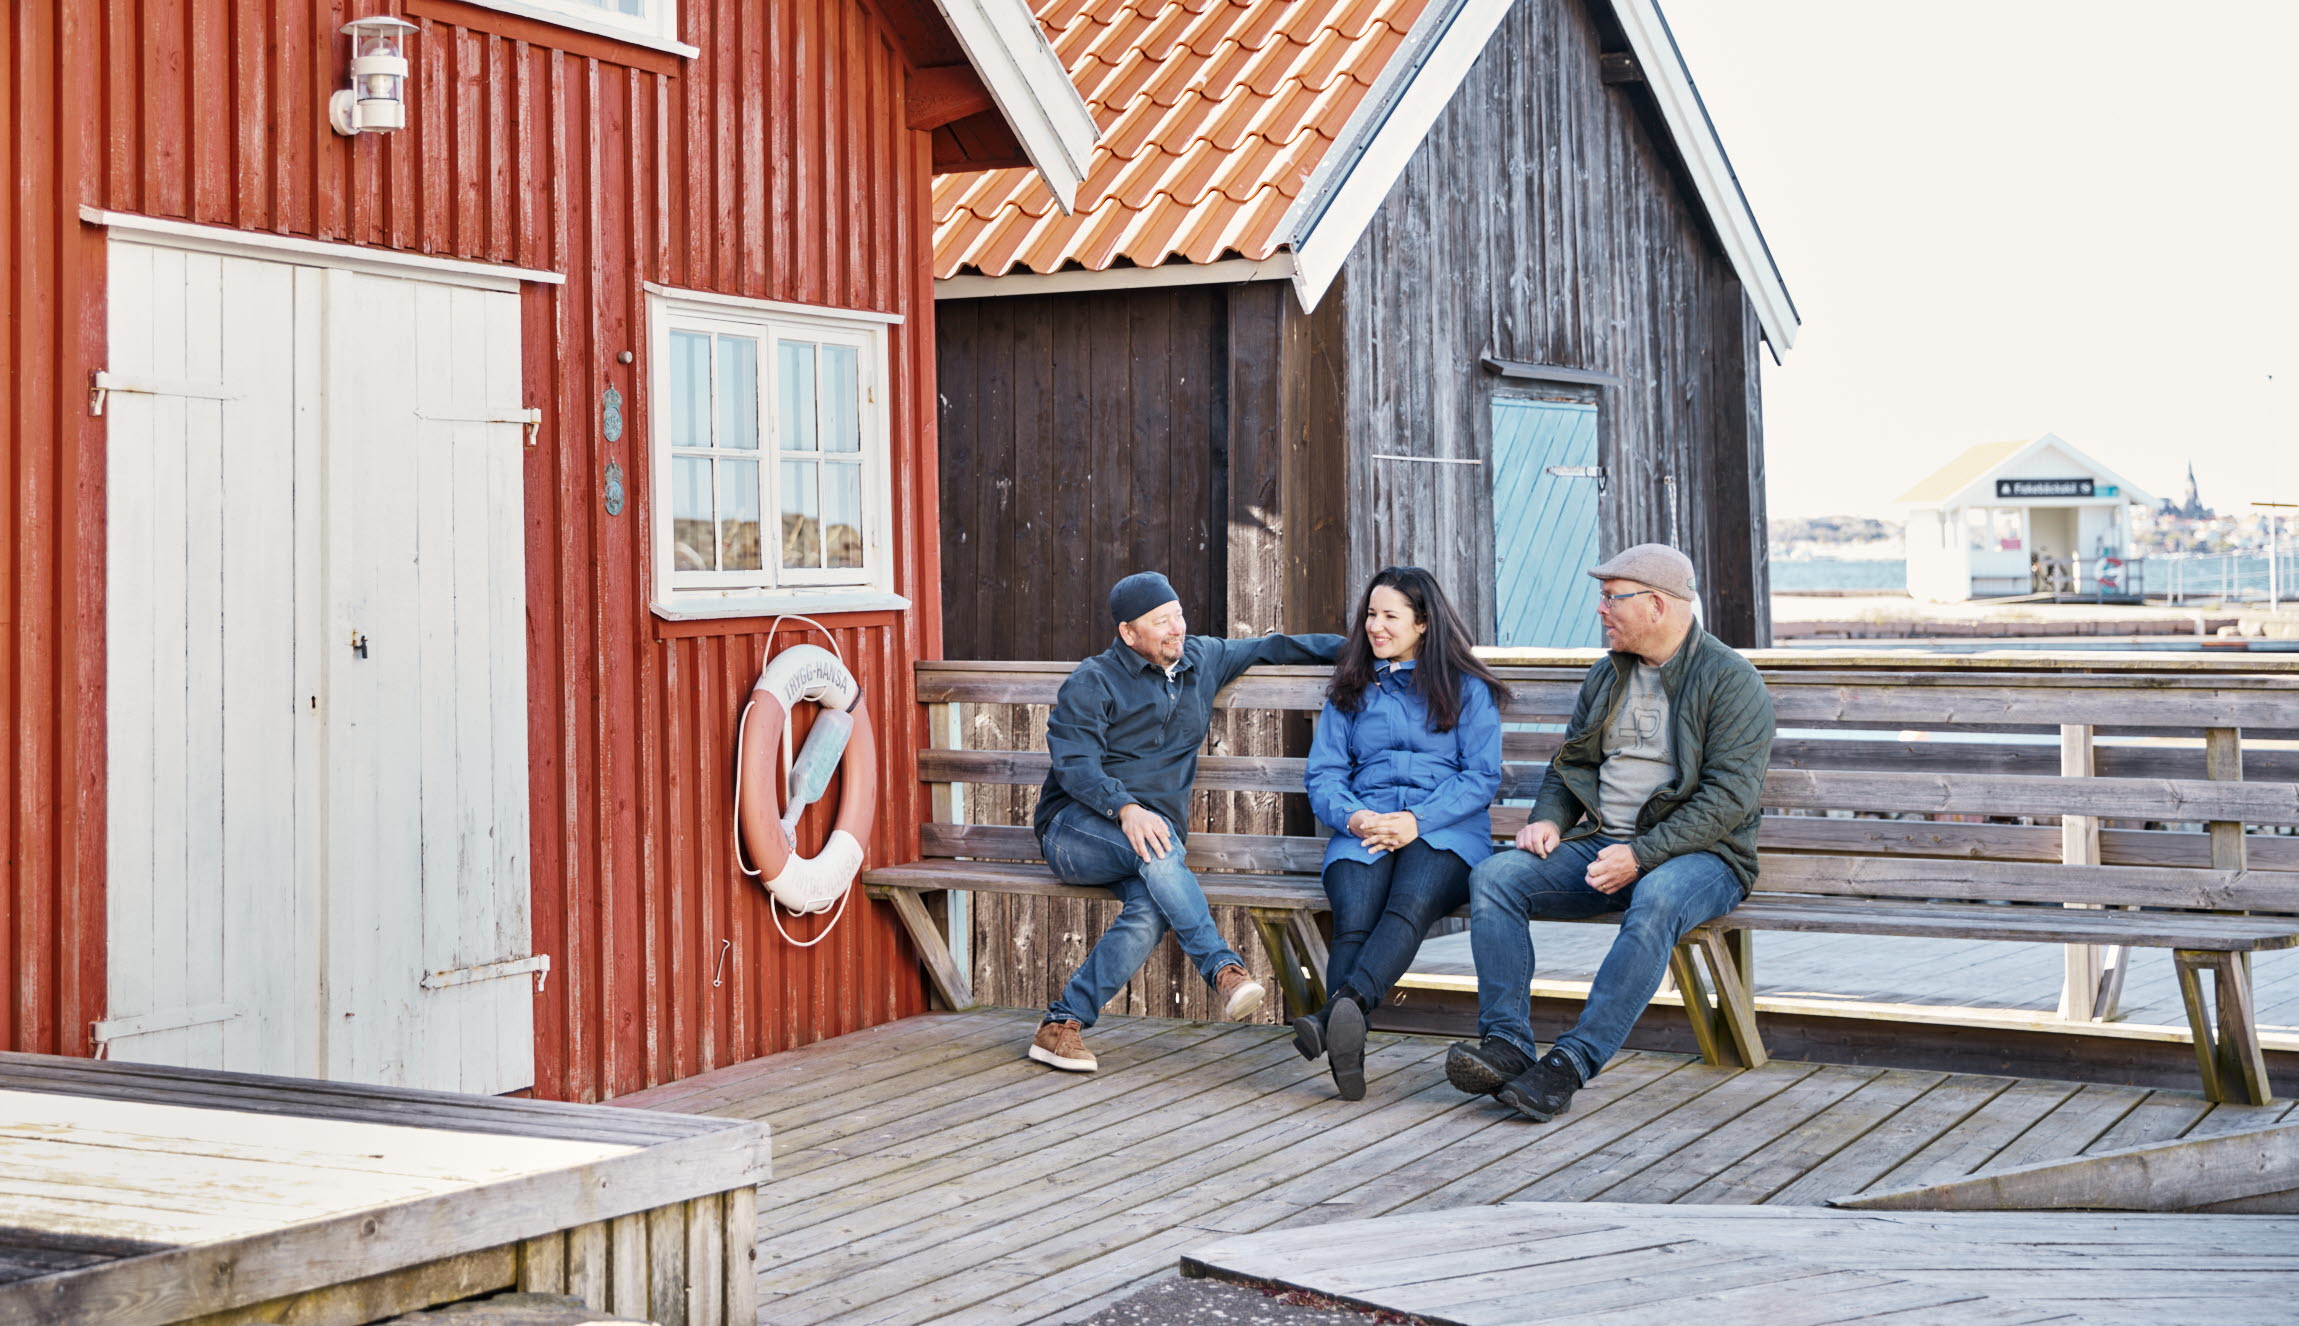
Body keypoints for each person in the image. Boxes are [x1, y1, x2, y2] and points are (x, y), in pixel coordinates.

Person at [1449, 544, 1774, 1122]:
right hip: (1603, 847)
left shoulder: (1731, 680)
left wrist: (1642, 855)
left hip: (1704, 858)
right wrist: (1548, 819)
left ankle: (1571, 1063)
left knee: (1656, 898)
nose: (1601, 609)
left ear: (1656, 604)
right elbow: (1570, 765)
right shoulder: (1608, 674)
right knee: (1497, 876)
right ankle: (1506, 1043)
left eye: (1611, 598)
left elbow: (1729, 800)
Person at [1028, 572, 1344, 1073]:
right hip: (1074, 831)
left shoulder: (1201, 658)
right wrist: (1125, 808)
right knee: (1157, 847)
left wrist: (1363, 651)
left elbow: (1273, 647)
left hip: (1154, 844)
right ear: (1128, 633)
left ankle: (1061, 1025)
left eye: (1177, 614)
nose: (1176, 628)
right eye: (1161, 622)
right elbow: (1075, 764)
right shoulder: (1095, 679)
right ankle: (1224, 971)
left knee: (1151, 910)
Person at [1296, 567, 1508, 1100]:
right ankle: (1347, 1047)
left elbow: (1480, 776)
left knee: (1409, 903)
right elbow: (1323, 774)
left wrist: (1417, 821)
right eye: (1371, 614)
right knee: (1355, 917)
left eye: (1390, 615)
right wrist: (1354, 818)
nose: (1375, 625)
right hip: (1366, 824)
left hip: (1445, 832)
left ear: (1424, 623)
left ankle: (1333, 1017)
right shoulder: (1350, 688)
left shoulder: (1466, 688)